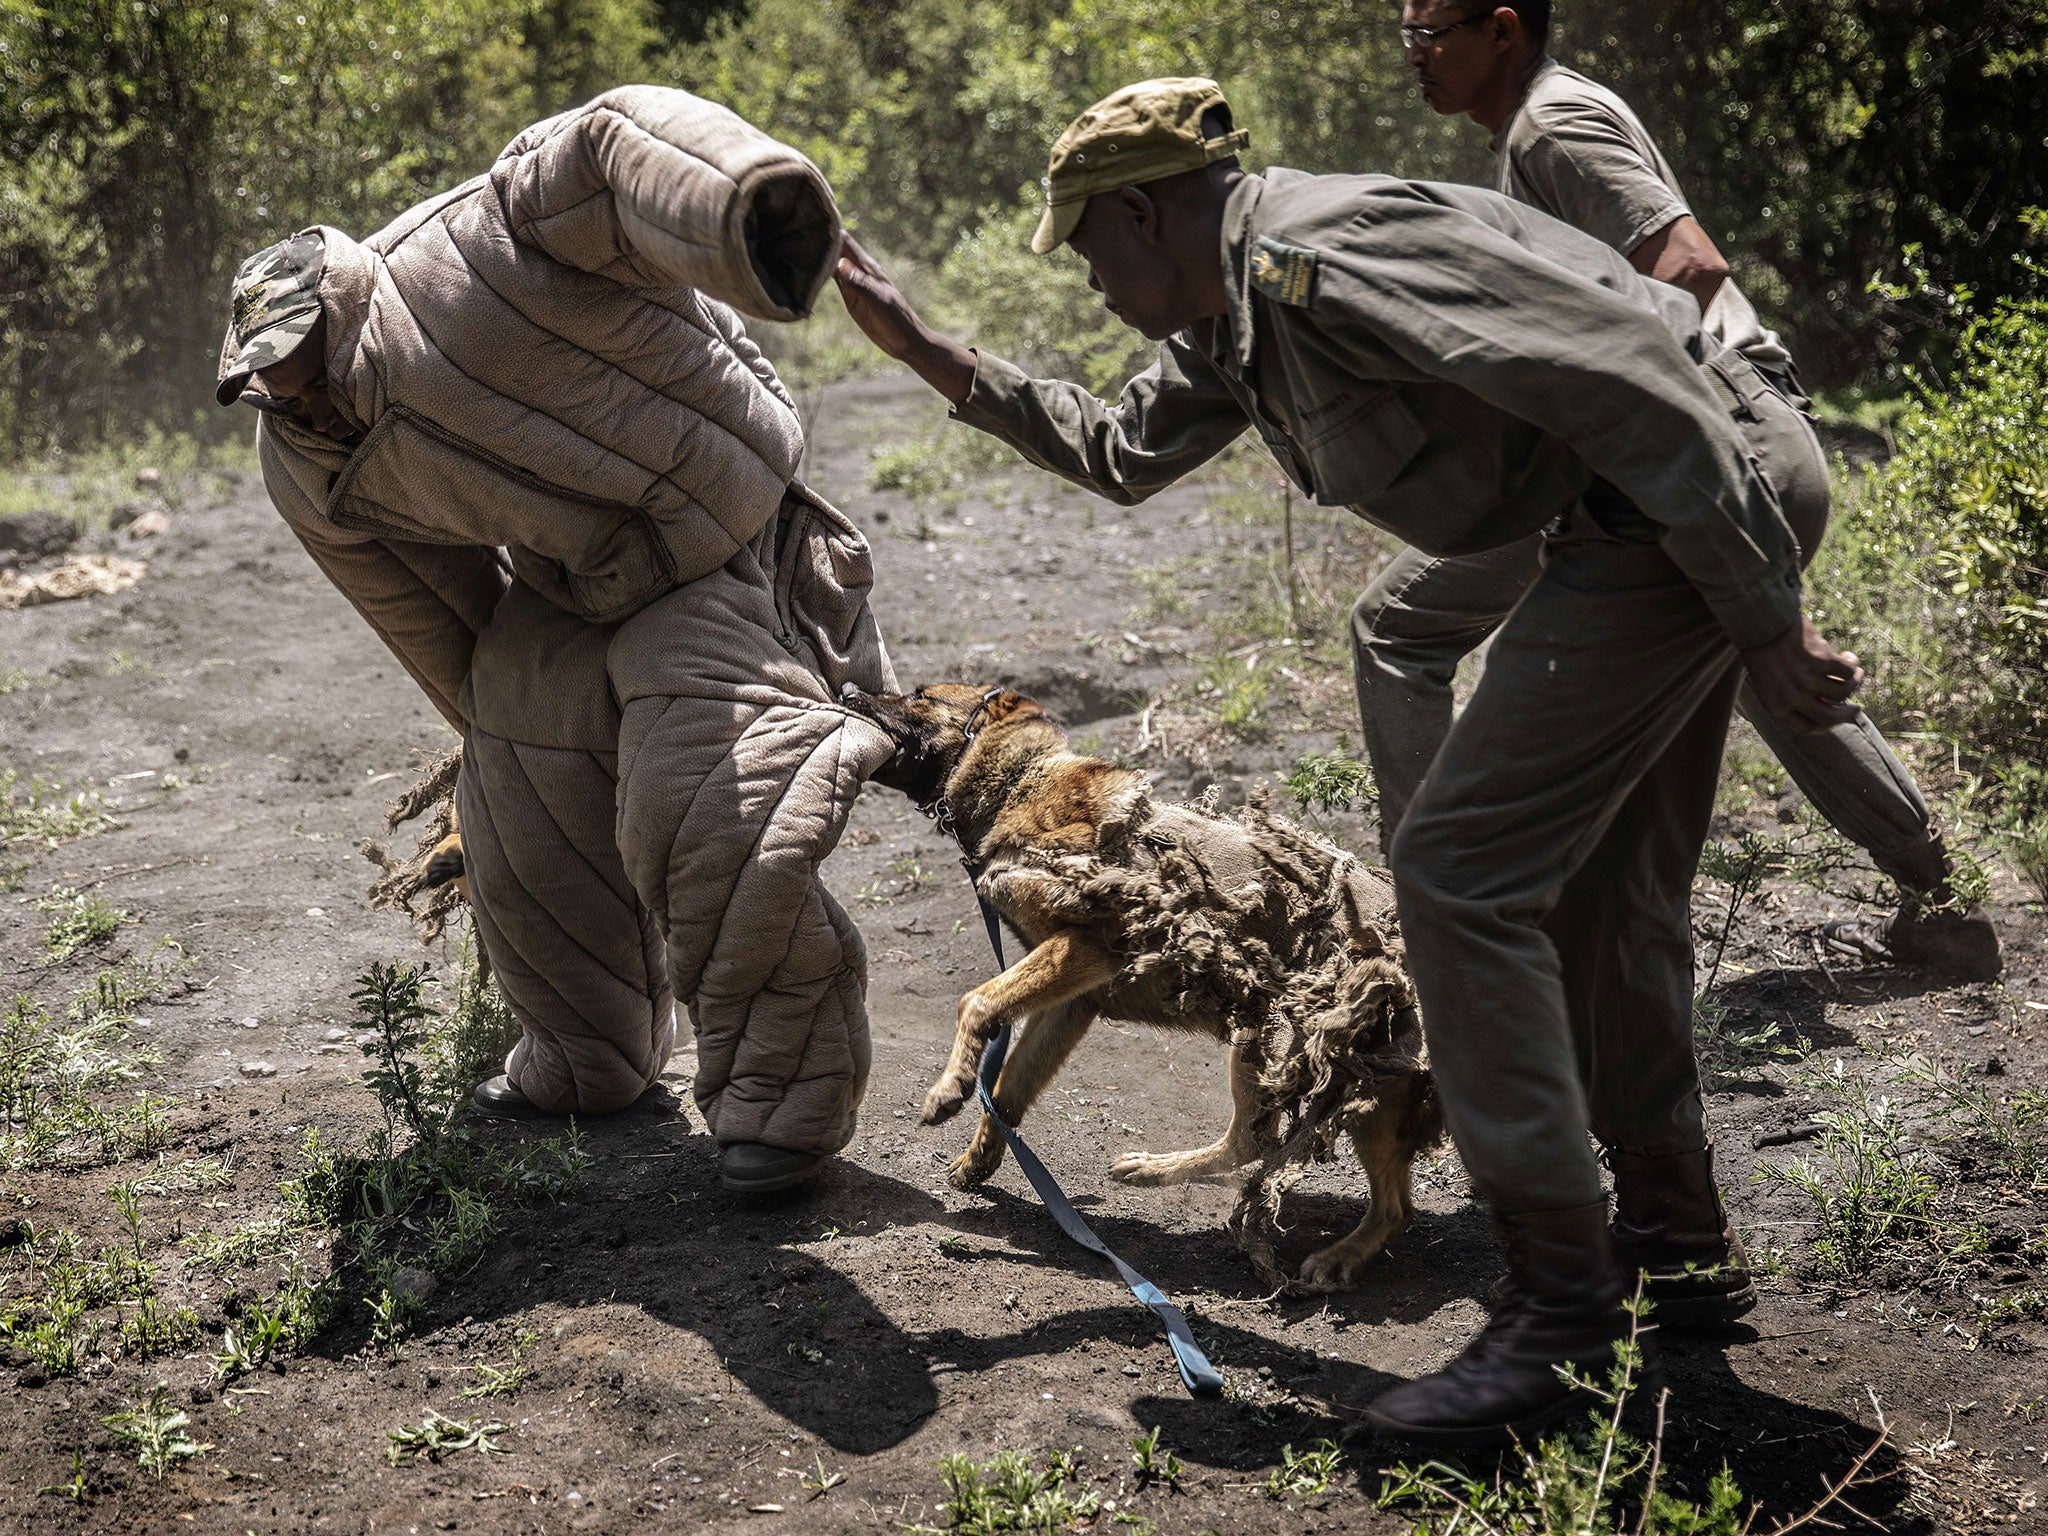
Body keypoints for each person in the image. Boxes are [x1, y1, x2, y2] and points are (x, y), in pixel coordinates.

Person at [833, 75, 1860, 1444]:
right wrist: (924, 351)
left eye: (1089, 249)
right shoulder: (1231, 321)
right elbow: (1119, 452)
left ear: (1145, 214)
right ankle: (1669, 1246)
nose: (1088, 283)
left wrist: (1766, 617)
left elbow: (1635, 379)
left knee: (1453, 874)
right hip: (1643, 513)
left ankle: (1553, 1310)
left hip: (1689, 494)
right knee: (1608, 901)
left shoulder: (1331, 258)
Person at [218, 87, 896, 1193]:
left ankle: (782, 1110)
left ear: (346, 314)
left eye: (310, 376)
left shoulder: (468, 251)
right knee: (518, 809)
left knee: (715, 812)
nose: (304, 410)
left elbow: (606, 144)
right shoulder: (302, 457)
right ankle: (586, 1061)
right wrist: (515, 738)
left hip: (721, 536)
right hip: (572, 589)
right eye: (271, 393)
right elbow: (433, 619)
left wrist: (742, 202)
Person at [1365, 0, 2000, 980]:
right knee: (1751, 663)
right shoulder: (1539, 122)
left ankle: (1438, 928)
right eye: (1402, 36)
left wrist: (1617, 431)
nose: (1411, 58)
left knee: (1397, 627)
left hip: (1693, 440)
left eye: (1427, 34)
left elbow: (1686, 268)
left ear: (1500, 29)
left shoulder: (1550, 123)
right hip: (1714, 436)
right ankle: (1943, 907)